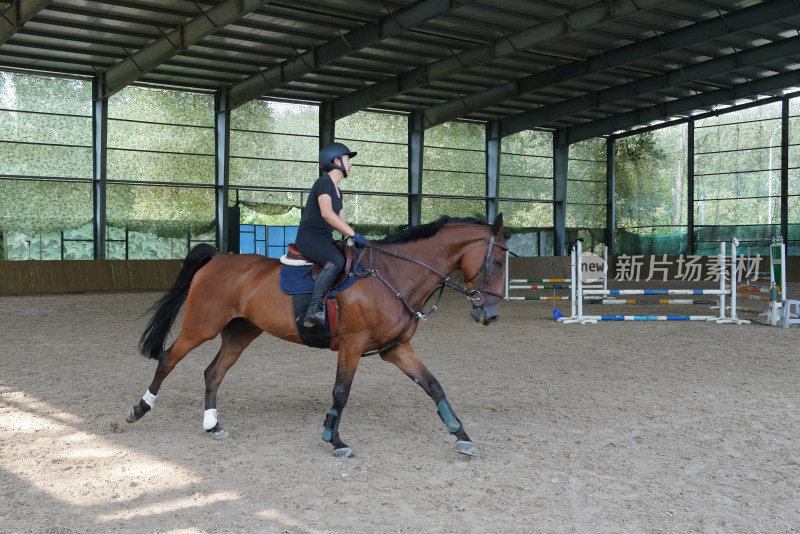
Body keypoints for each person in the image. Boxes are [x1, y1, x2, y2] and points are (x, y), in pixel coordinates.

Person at [295, 142, 369, 328]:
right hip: (310, 237)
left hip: (324, 238)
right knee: (336, 260)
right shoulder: (323, 183)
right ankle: (313, 309)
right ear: (336, 161)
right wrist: (354, 233)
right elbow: (327, 214)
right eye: (347, 159)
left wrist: (352, 237)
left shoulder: (338, 190)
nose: (350, 164)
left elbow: (341, 221)